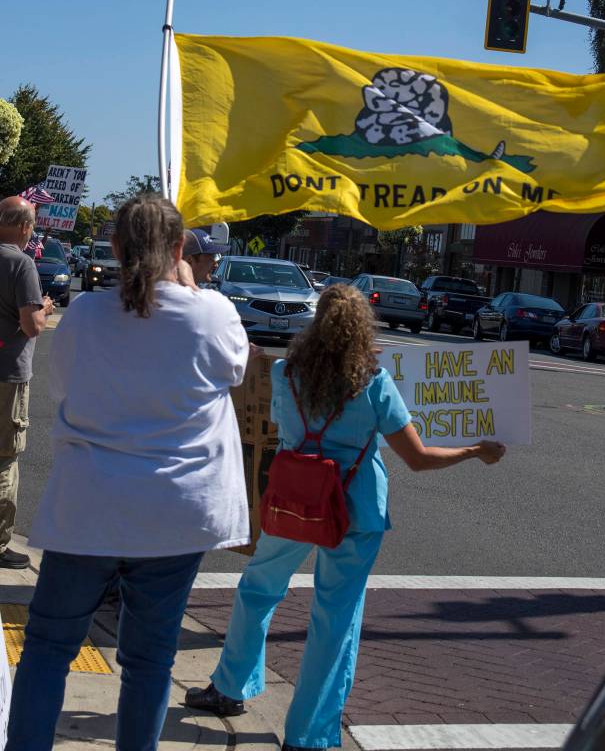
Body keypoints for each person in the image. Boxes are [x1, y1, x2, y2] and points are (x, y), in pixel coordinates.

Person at [186, 284, 506, 750]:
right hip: (355, 509)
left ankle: (230, 688)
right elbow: (417, 458)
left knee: (258, 587)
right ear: (362, 330)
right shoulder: (374, 382)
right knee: (334, 620)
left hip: (294, 498)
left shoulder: (285, 374)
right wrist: (475, 451)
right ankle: (308, 735)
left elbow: (282, 426)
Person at [6, 194, 250, 751]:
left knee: (47, 648)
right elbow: (235, 368)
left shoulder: (87, 313)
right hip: (175, 512)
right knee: (150, 659)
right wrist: (191, 288)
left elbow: (64, 390)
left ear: (114, 248)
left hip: (89, 507)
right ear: (179, 248)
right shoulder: (212, 311)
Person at [0, 196, 53, 570]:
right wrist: (46, 309)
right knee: (5, 457)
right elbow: (33, 326)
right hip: (8, 373)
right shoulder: (20, 264)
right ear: (23, 227)